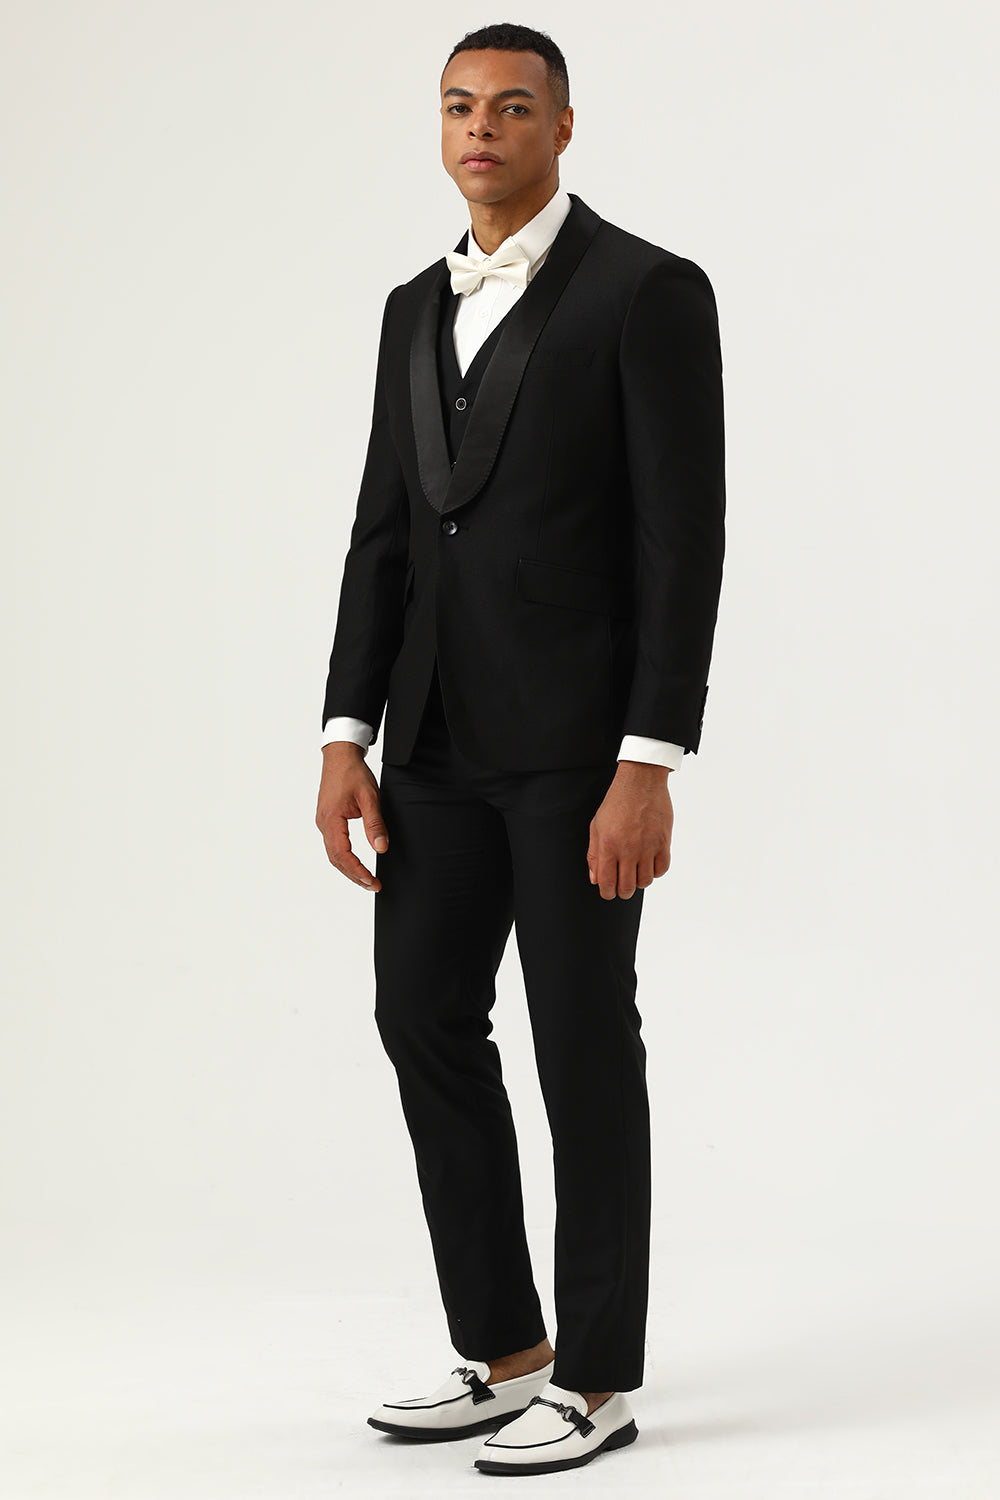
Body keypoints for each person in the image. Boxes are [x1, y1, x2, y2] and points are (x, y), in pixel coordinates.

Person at [315, 21, 726, 1477]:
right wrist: (346, 731)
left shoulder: (646, 291)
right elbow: (382, 531)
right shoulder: (409, 309)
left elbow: (683, 539)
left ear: (561, 126)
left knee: (581, 1048)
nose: (479, 128)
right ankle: (507, 1354)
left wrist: (648, 759)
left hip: (578, 755)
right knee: (421, 1016)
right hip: (428, 743)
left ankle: (599, 1378)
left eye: (509, 106)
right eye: (457, 107)